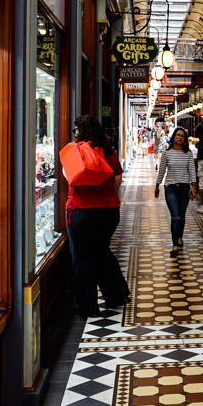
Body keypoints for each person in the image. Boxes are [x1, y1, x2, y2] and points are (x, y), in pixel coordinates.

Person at [64, 115, 129, 316]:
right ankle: (117, 295)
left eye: (76, 129)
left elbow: (69, 178)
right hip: (109, 211)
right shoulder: (109, 153)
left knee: (83, 259)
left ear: (81, 131)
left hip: (82, 210)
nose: (75, 133)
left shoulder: (76, 152)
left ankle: (88, 306)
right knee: (102, 251)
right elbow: (117, 181)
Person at [155, 126, 196, 256]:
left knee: (182, 216)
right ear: (173, 137)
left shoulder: (188, 153)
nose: (180, 137)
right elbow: (162, 170)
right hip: (170, 188)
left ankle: (180, 237)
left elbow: (191, 170)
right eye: (178, 135)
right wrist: (157, 185)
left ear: (185, 139)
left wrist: (193, 185)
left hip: (184, 188)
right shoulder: (167, 153)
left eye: (182, 136)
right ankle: (174, 246)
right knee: (175, 216)